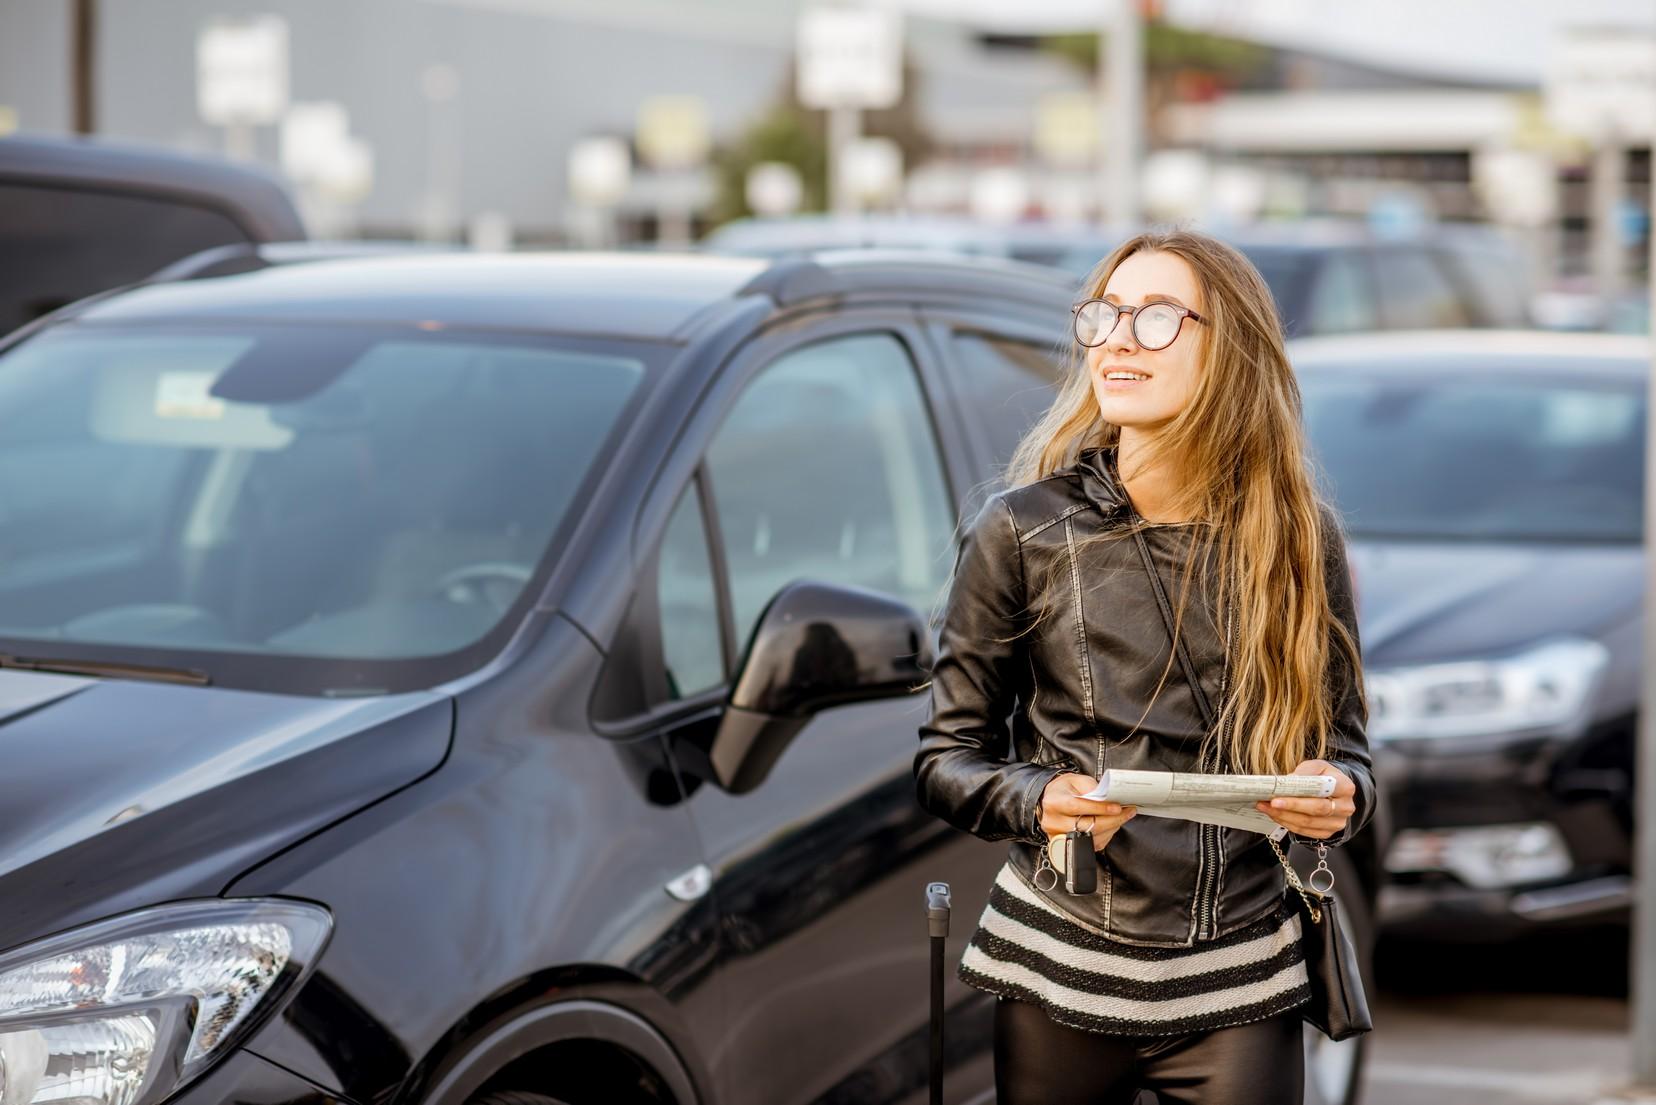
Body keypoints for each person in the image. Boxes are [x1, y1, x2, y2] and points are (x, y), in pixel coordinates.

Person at [913, 228, 1374, 1105]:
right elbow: (944, 760)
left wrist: (1337, 793)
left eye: (1157, 316)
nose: (1117, 339)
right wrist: (1040, 799)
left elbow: (1349, 757)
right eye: (1106, 314)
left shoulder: (1299, 539)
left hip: (1243, 977)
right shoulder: (1021, 530)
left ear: (1227, 348)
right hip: (1061, 967)